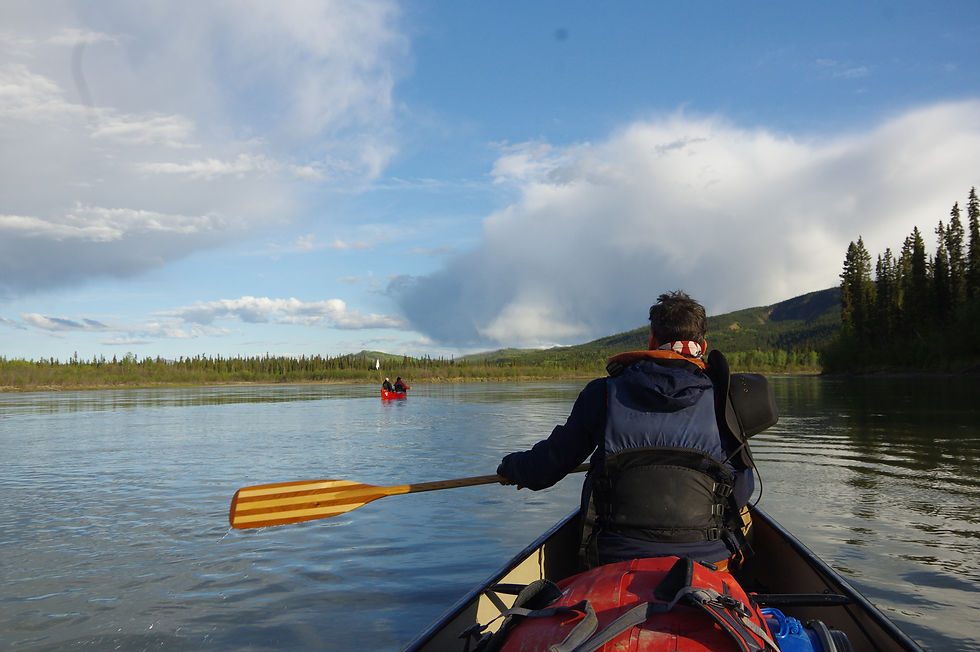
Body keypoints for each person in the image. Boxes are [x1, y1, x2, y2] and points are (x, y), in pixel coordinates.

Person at [496, 291, 763, 570]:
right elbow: (742, 492)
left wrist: (512, 467)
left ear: (652, 339)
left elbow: (548, 465)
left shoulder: (603, 394)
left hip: (614, 559)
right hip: (709, 561)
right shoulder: (726, 400)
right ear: (703, 345)